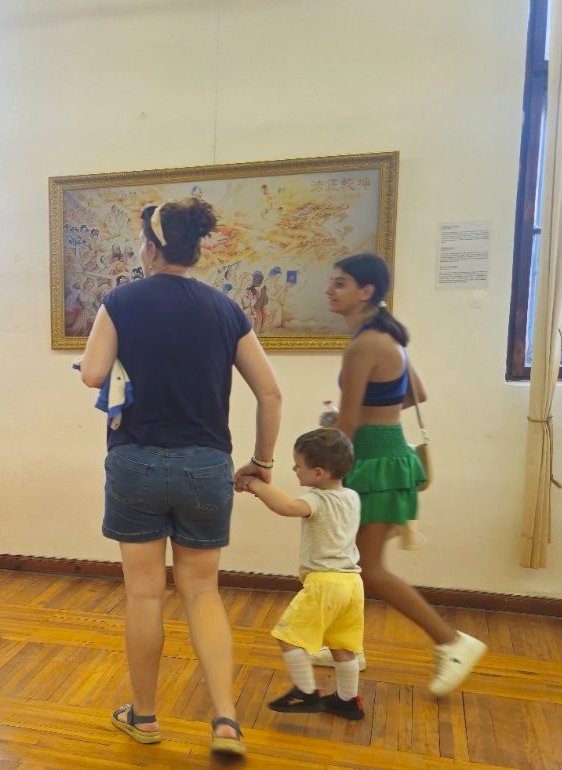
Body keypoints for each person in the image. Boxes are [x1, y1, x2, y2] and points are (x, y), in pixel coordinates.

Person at [79, 198, 281, 757]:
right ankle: (225, 721)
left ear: (150, 247)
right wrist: (262, 462)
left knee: (145, 594)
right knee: (203, 592)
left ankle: (144, 717)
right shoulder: (225, 309)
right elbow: (270, 392)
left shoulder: (121, 300)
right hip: (206, 465)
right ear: (195, 249)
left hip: (135, 460)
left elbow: (92, 373)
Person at [321, 253, 485, 696]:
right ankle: (348, 648)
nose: (329, 290)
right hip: (388, 453)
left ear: (366, 291)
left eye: (340, 283)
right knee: (351, 563)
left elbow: (348, 424)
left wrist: (326, 472)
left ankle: (452, 642)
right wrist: (368, 415)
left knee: (370, 568)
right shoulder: (389, 336)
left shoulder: (363, 345)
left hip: (372, 460)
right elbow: (417, 394)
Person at [243, 429, 366, 720]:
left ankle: (306, 691)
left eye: (298, 465)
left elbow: (286, 506)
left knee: (287, 636)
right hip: (352, 584)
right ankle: (347, 701)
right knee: (342, 646)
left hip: (325, 583)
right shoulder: (352, 497)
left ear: (319, 473)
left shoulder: (318, 499)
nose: (295, 469)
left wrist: (254, 484)